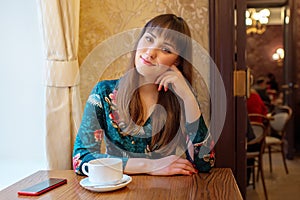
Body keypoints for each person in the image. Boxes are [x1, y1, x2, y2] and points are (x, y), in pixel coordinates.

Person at [73, 14, 215, 176]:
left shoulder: (181, 98)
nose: (150, 52)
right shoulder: (104, 92)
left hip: (165, 191)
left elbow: (205, 163)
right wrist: (150, 166)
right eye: (148, 39)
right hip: (115, 190)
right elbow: (81, 159)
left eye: (166, 49)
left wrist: (188, 97)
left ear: (176, 61)